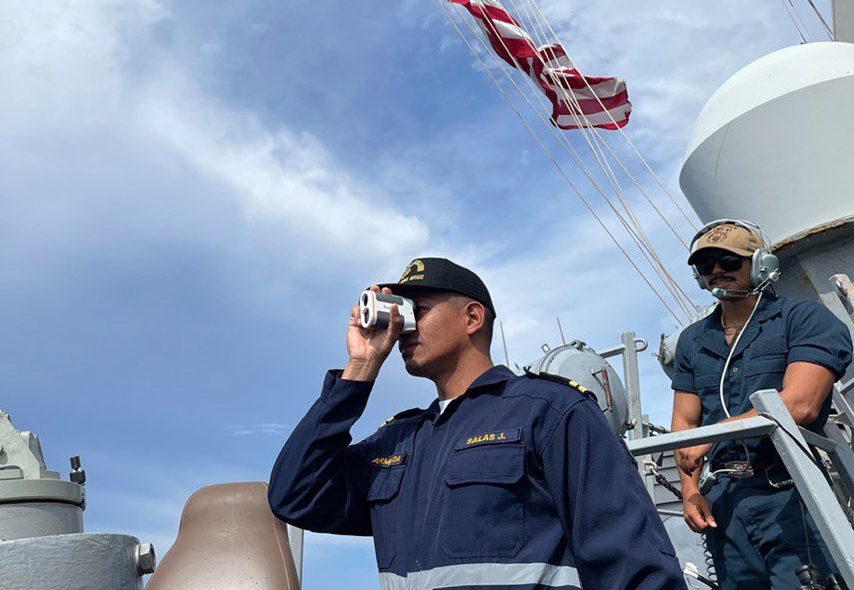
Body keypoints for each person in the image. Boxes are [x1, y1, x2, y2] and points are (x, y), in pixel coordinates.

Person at [269, 257, 684, 590]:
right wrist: (360, 366)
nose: (403, 326)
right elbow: (297, 496)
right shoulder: (399, 441)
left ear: (472, 318)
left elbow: (634, 565)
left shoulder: (550, 411)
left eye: (418, 311)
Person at [670, 220, 853, 589]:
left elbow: (799, 405)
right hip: (725, 504)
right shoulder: (692, 342)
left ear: (760, 265)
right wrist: (690, 492)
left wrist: (714, 434)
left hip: (789, 494)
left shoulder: (803, 320)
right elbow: (685, 426)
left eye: (729, 261)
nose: (717, 271)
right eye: (707, 266)